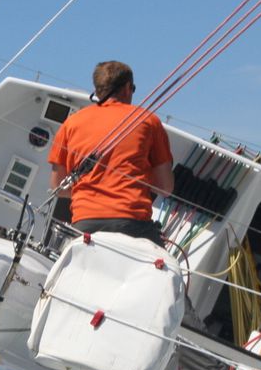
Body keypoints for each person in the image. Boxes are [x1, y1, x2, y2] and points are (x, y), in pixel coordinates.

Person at [48, 61, 173, 246]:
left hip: (85, 223)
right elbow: (165, 187)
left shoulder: (72, 123)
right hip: (133, 225)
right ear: (128, 88)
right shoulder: (149, 121)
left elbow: (58, 185)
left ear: (97, 90)